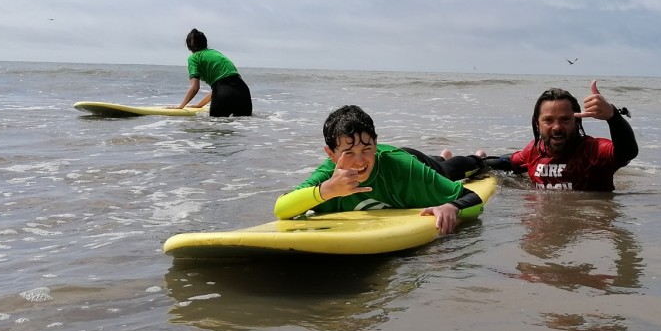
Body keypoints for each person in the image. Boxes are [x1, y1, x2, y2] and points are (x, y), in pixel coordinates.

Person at [273, 105, 486, 235]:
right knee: (439, 163)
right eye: (348, 152)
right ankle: (441, 155)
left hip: (409, 158)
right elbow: (282, 209)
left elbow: (472, 198)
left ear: (375, 143)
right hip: (400, 159)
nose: (360, 161)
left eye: (366, 149)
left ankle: (477, 158)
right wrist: (327, 190)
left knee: (445, 170)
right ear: (331, 154)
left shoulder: (404, 169)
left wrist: (452, 207)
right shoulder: (328, 176)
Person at [483, 80, 637, 191]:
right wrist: (476, 162)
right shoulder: (533, 150)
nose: (557, 127)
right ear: (538, 124)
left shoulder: (593, 151)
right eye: (548, 120)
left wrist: (613, 116)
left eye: (565, 119)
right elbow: (509, 163)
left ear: (576, 122)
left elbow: (627, 152)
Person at [172, 29, 253, 117]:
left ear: (189, 45)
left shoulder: (194, 57)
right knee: (242, 126)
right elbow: (223, 86)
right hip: (243, 92)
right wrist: (200, 105)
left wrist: (181, 107)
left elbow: (195, 88)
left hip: (223, 93)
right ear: (205, 42)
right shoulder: (216, 53)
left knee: (215, 129)